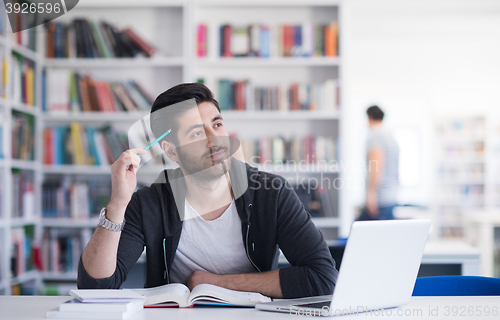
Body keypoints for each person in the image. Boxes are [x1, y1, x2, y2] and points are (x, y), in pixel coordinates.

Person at [78, 83, 338, 299]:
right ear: (171, 151)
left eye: (217, 125)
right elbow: (95, 287)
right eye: (195, 133)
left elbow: (323, 278)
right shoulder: (150, 203)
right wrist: (117, 204)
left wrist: (214, 282)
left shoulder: (271, 194)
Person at [358, 105, 399, 221]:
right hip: (391, 197)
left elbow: (376, 167)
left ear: (369, 117)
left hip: (379, 199)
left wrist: (371, 195)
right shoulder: (392, 138)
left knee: (360, 234)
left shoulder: (374, 138)